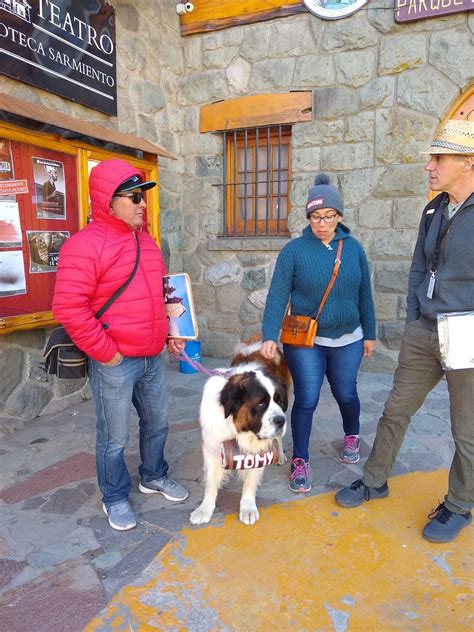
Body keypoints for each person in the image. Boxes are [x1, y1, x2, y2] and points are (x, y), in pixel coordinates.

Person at [335, 119, 474, 543]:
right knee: (395, 410)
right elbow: (419, 266)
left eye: (439, 158)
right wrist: (416, 315)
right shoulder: (433, 209)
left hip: (467, 335)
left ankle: (459, 504)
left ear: (467, 161)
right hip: (424, 331)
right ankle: (375, 478)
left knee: (465, 428)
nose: (429, 166)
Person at [53, 158, 188, 531]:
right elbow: (68, 307)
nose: (142, 204)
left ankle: (153, 475)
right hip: (115, 359)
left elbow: (163, 294)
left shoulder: (147, 242)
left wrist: (172, 333)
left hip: (152, 357)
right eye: (132, 197)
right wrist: (105, 352)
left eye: (142, 196)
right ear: (108, 202)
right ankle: (114, 495)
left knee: (158, 422)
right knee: (113, 437)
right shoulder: (83, 247)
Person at [261, 173, 376, 493]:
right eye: (315, 216)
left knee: (346, 392)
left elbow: (365, 293)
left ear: (339, 216)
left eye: (328, 216)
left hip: (348, 339)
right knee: (307, 399)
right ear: (308, 217)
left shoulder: (353, 249)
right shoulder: (294, 251)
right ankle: (300, 460)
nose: (321, 223)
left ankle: (351, 435)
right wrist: (269, 333)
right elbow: (277, 294)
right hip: (305, 342)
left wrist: (370, 333)